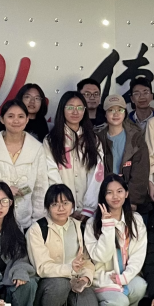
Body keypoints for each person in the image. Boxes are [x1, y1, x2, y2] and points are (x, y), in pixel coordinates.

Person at [27, 184, 96, 306]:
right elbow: (42, 268)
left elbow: (86, 260)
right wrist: (69, 269)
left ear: (72, 204)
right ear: (47, 207)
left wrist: (85, 278)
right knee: (60, 284)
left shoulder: (78, 227)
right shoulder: (37, 229)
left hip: (73, 281)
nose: (61, 208)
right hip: (47, 285)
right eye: (55, 204)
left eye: (65, 203)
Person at [85, 175, 148, 306]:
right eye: (109, 192)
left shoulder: (136, 220)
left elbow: (138, 255)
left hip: (124, 274)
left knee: (140, 286)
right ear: (103, 196)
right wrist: (107, 226)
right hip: (104, 277)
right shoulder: (92, 223)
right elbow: (101, 257)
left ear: (126, 194)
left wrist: (125, 277)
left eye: (119, 191)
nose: (115, 196)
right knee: (119, 302)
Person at [0, 99, 49, 230]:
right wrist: (5, 190)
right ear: (2, 119)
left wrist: (37, 221)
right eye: (10, 116)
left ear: (27, 119)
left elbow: (40, 187)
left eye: (21, 116)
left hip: (26, 220)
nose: (16, 121)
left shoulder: (37, 148)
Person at [45, 91, 106, 220]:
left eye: (79, 107)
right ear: (62, 109)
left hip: (89, 213)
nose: (75, 112)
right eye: (70, 107)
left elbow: (97, 175)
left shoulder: (93, 140)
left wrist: (88, 209)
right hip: (61, 212)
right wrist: (66, 206)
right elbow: (51, 173)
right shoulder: (51, 140)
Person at [97, 94, 150, 211]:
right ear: (105, 114)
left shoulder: (136, 138)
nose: (116, 114)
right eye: (111, 110)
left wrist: (132, 200)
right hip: (106, 199)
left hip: (131, 201)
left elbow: (141, 173)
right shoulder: (98, 138)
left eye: (120, 110)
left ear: (125, 112)